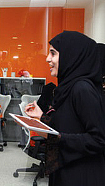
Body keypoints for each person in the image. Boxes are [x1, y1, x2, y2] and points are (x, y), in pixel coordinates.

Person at [25, 31, 105, 186]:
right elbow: (69, 126)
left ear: (71, 56)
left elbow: (98, 139)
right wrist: (41, 117)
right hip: (65, 169)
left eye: (53, 53)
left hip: (81, 175)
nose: (48, 59)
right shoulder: (67, 88)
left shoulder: (82, 89)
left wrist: (59, 138)